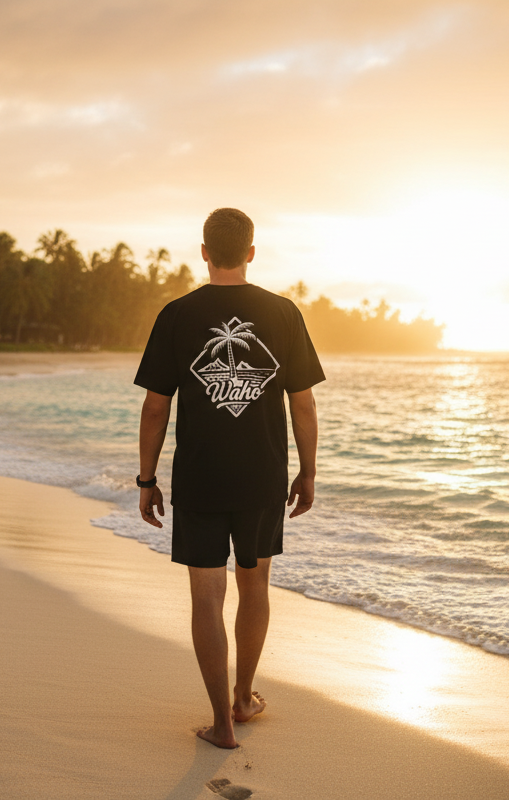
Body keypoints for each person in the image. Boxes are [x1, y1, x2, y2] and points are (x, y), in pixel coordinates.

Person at [134, 207, 324, 749]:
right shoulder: (283, 312)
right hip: (263, 475)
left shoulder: (176, 313)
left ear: (204, 252)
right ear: (251, 252)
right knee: (254, 584)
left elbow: (155, 408)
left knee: (206, 597)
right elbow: (303, 405)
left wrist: (146, 480)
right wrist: (308, 473)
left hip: (199, 479)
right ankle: (243, 698)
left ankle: (220, 723)